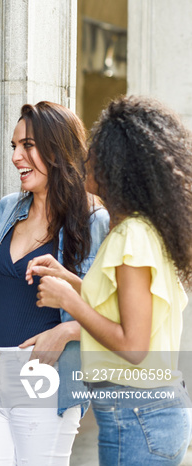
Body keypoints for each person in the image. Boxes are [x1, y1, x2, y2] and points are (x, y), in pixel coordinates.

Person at [28, 95, 192, 465]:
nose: (87, 158)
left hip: (135, 417)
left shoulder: (130, 237)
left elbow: (133, 346)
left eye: (98, 150)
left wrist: (68, 302)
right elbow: (123, 306)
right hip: (148, 412)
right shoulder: (144, 230)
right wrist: (69, 280)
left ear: (121, 165)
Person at [0, 101, 109, 465]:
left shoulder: (94, 219)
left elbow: (108, 309)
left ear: (57, 150)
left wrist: (66, 332)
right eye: (14, 146)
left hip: (44, 375)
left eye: (27, 145)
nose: (16, 156)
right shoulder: (10, 207)